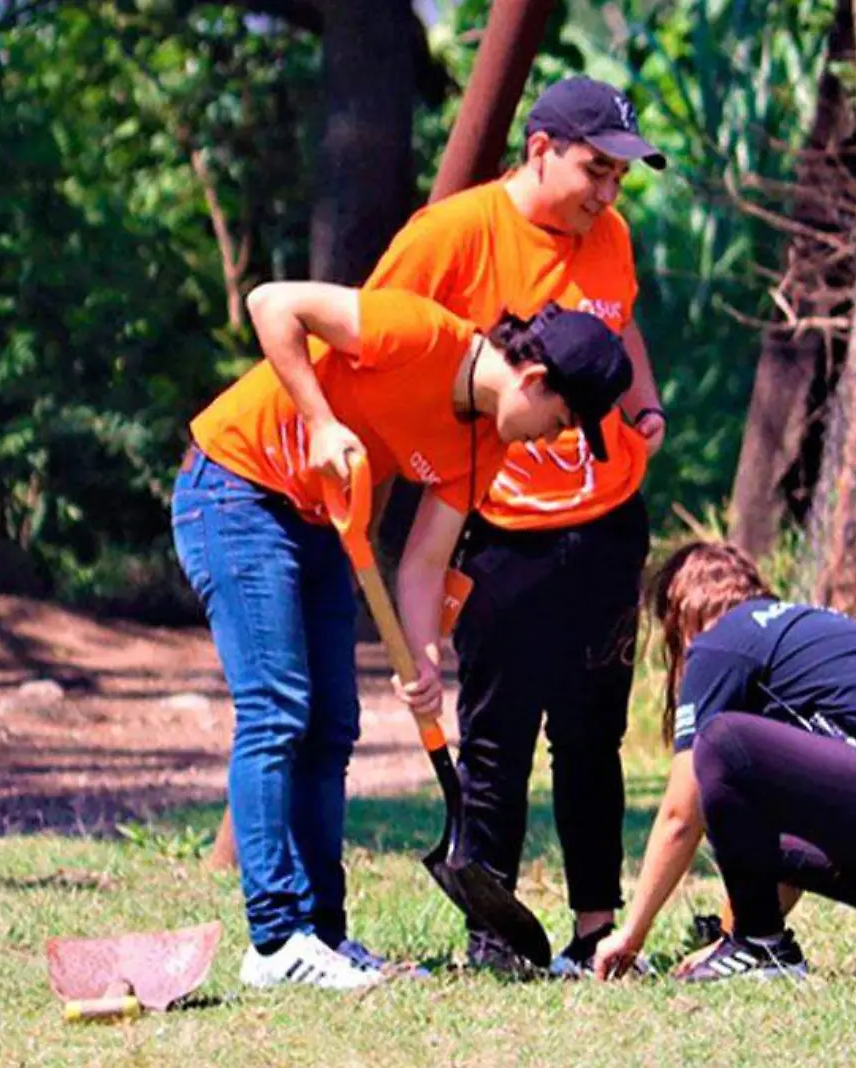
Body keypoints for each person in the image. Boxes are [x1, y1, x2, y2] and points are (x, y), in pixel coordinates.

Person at [173, 281, 630, 990]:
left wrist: (423, 656)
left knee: (331, 727)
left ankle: (321, 936)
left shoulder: (485, 445)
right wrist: (320, 421)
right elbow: (270, 304)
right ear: (534, 378)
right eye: (562, 418)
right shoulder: (416, 331)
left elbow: (422, 564)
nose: (554, 438)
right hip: (234, 488)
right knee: (277, 710)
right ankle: (274, 941)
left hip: (318, 517)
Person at [356, 75, 668, 976]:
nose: (608, 194)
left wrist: (642, 405)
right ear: (539, 152)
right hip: (499, 526)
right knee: (496, 737)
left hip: (608, 522)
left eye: (620, 176)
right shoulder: (453, 236)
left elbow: (623, 322)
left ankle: (595, 929)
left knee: (592, 736)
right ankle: (493, 929)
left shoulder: (607, 234)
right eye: (595, 170)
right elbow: (376, 337)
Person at [592, 542, 856, 982]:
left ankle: (760, 947)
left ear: (681, 612)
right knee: (746, 795)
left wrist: (630, 935)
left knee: (721, 741)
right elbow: (777, 840)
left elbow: (679, 815)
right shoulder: (799, 627)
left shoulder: (721, 642)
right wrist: (728, 936)